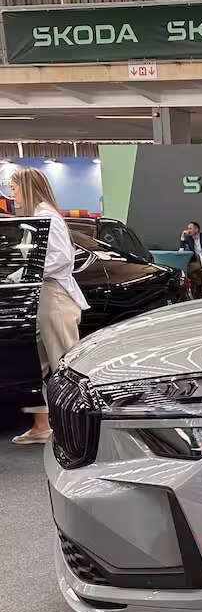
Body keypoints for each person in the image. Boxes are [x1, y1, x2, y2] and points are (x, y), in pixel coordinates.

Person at [10, 167, 89, 445]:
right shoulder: (38, 217)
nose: (12, 194)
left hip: (54, 298)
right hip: (44, 298)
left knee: (65, 367)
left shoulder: (47, 217)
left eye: (14, 188)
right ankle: (42, 425)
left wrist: (23, 273)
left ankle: (81, 429)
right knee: (39, 367)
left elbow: (61, 259)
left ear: (27, 187)